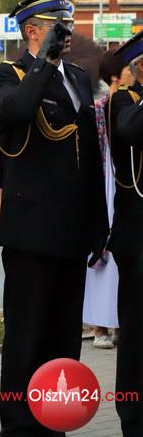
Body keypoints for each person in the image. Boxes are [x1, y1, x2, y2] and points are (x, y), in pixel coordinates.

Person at [0, 0, 107, 435]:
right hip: (31, 232)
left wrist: (98, 224)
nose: (68, 33)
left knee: (63, 339)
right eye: (60, 26)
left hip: (71, 230)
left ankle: (53, 422)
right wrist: (44, 61)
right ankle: (18, 425)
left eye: (69, 25)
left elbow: (90, 156)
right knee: (27, 338)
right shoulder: (10, 74)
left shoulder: (76, 77)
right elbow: (17, 111)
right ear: (33, 31)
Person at [106, 31, 143, 436]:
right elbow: (129, 131)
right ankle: (134, 418)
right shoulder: (124, 101)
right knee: (136, 336)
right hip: (137, 239)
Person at [83, 50, 130, 350]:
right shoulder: (100, 109)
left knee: (121, 260)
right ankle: (99, 324)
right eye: (128, 68)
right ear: (115, 76)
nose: (133, 72)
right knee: (102, 257)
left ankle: (118, 322)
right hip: (103, 185)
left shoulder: (131, 104)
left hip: (124, 185)